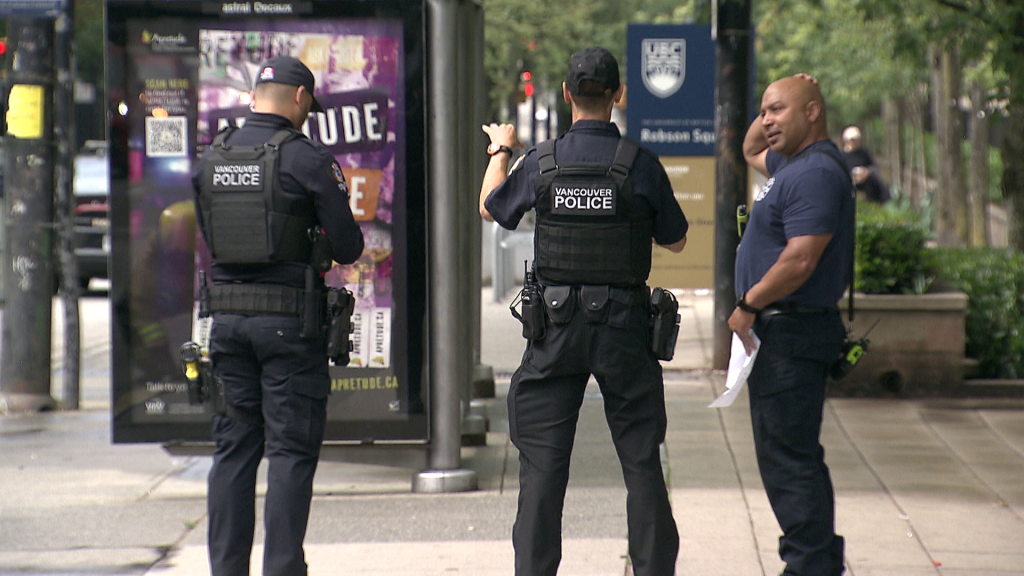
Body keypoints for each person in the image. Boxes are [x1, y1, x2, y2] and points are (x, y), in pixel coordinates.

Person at [479, 46, 689, 576]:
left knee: (543, 469)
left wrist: (500, 150)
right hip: (624, 328)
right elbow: (678, 240)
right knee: (642, 462)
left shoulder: (542, 161)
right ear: (619, 95)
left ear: (568, 94)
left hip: (554, 331)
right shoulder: (639, 164)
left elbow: (491, 207)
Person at [191, 55, 364, 576]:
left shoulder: (211, 156)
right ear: (300, 98)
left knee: (233, 451)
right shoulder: (306, 158)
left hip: (227, 325)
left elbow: (210, 234)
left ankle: (227, 569)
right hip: (290, 326)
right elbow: (350, 245)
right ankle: (283, 568)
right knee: (289, 452)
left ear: (253, 98)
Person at [731, 74, 854, 576]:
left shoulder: (815, 173)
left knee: (789, 457)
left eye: (778, 110)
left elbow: (801, 259)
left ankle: (809, 566)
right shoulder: (791, 165)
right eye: (764, 110)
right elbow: (748, 148)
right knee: (788, 453)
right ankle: (816, 559)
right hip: (785, 332)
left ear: (813, 112)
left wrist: (749, 303)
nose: (766, 121)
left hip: (792, 331)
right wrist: (777, 104)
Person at [841, 125, 889, 204]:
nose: (854, 142)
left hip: (865, 179)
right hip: (850, 180)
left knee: (874, 176)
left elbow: (872, 166)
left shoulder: (864, 153)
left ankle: (882, 201)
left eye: (856, 140)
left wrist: (866, 172)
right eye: (852, 140)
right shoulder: (842, 155)